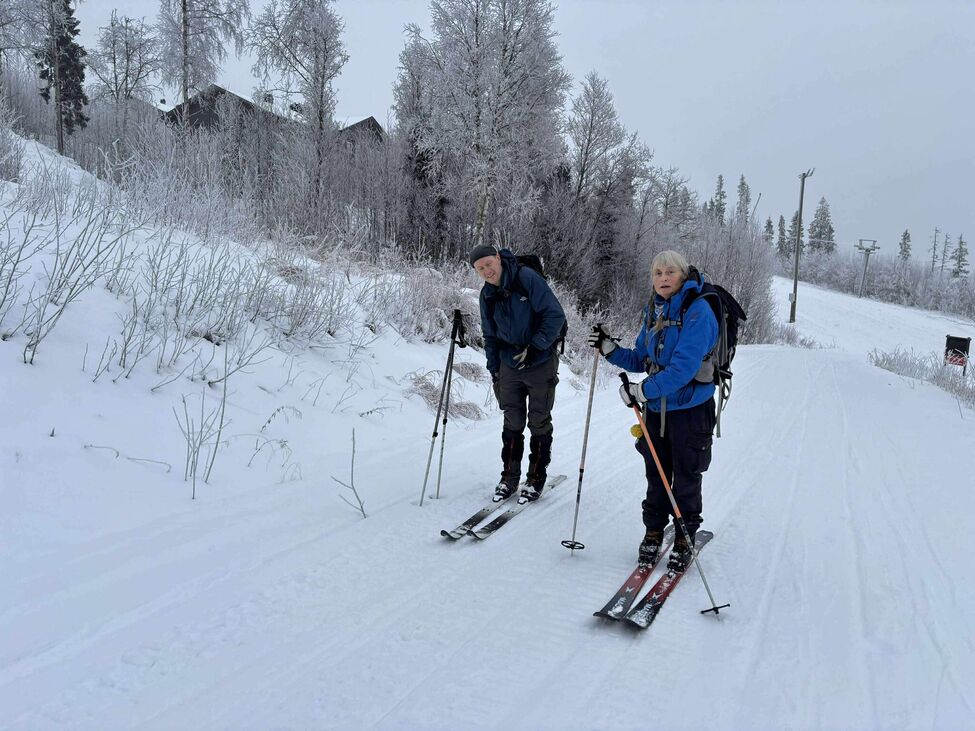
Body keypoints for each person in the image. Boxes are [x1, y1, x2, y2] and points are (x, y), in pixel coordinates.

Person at [587, 250, 718, 572]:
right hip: (657, 410)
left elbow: (683, 369)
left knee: (686, 475)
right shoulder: (654, 310)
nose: (663, 278)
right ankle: (654, 531)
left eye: (670, 272)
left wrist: (641, 391)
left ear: (683, 275)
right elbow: (642, 359)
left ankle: (685, 536)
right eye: (657, 273)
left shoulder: (699, 311)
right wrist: (610, 350)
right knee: (656, 474)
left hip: (691, 408)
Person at [471, 244, 567, 503]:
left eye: (489, 264)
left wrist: (536, 348)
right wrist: (494, 369)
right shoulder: (487, 294)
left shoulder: (527, 279)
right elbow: (489, 334)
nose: (487, 271)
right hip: (508, 364)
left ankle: (535, 478)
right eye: (480, 269)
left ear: (499, 259)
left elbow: (555, 315)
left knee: (538, 420)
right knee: (512, 422)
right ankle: (509, 478)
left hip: (540, 361)